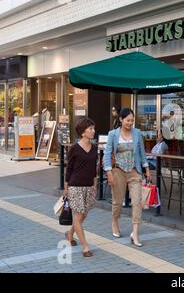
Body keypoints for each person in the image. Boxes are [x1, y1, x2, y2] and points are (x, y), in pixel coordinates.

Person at [104, 108, 152, 247]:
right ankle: (115, 221)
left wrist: (147, 169)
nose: (130, 123)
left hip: (134, 171)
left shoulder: (137, 133)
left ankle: (135, 233)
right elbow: (107, 155)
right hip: (118, 171)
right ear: (121, 119)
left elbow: (142, 153)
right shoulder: (113, 134)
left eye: (132, 120)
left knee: (137, 202)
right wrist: (109, 172)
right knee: (117, 202)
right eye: (127, 120)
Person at [64, 117, 98, 257]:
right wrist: (66, 188)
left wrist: (95, 185)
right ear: (83, 132)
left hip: (89, 186)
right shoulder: (74, 148)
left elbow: (94, 168)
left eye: (93, 128)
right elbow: (69, 169)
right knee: (78, 216)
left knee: (83, 215)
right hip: (75, 186)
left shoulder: (95, 148)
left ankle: (70, 234)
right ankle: (85, 246)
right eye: (90, 129)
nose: (93, 131)